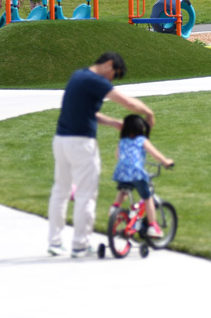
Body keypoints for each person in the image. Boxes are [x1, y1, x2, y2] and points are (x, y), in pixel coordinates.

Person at [47, 52, 156, 258]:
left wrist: (114, 123)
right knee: (86, 195)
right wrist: (148, 113)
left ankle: (55, 242)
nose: (112, 80)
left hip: (61, 141)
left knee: (60, 191)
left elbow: (87, 113)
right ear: (108, 64)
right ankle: (80, 244)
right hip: (81, 144)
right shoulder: (95, 80)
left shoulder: (78, 76)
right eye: (114, 74)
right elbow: (129, 103)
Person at [110, 114, 174, 238]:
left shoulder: (122, 141)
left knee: (123, 191)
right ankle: (153, 226)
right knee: (147, 197)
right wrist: (165, 161)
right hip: (136, 173)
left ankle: (115, 207)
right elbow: (155, 154)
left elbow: (117, 156)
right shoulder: (142, 140)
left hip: (121, 172)